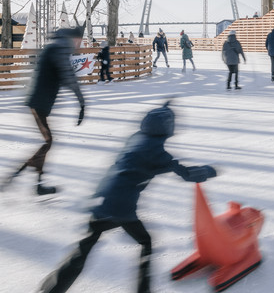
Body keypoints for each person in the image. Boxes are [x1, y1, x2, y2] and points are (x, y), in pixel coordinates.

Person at [36, 101, 217, 293]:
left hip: (100, 200)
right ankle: (143, 289)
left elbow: (153, 127)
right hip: (121, 208)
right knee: (145, 242)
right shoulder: (159, 154)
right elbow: (187, 174)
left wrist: (164, 107)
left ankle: (51, 289)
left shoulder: (135, 138)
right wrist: (209, 171)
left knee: (85, 247)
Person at [1, 26, 85, 196]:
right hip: (39, 103)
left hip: (40, 102)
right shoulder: (60, 48)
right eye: (79, 40)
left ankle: (36, 182)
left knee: (48, 142)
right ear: (74, 38)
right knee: (48, 141)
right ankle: (18, 174)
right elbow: (68, 75)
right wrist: (82, 103)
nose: (80, 45)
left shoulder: (56, 46)